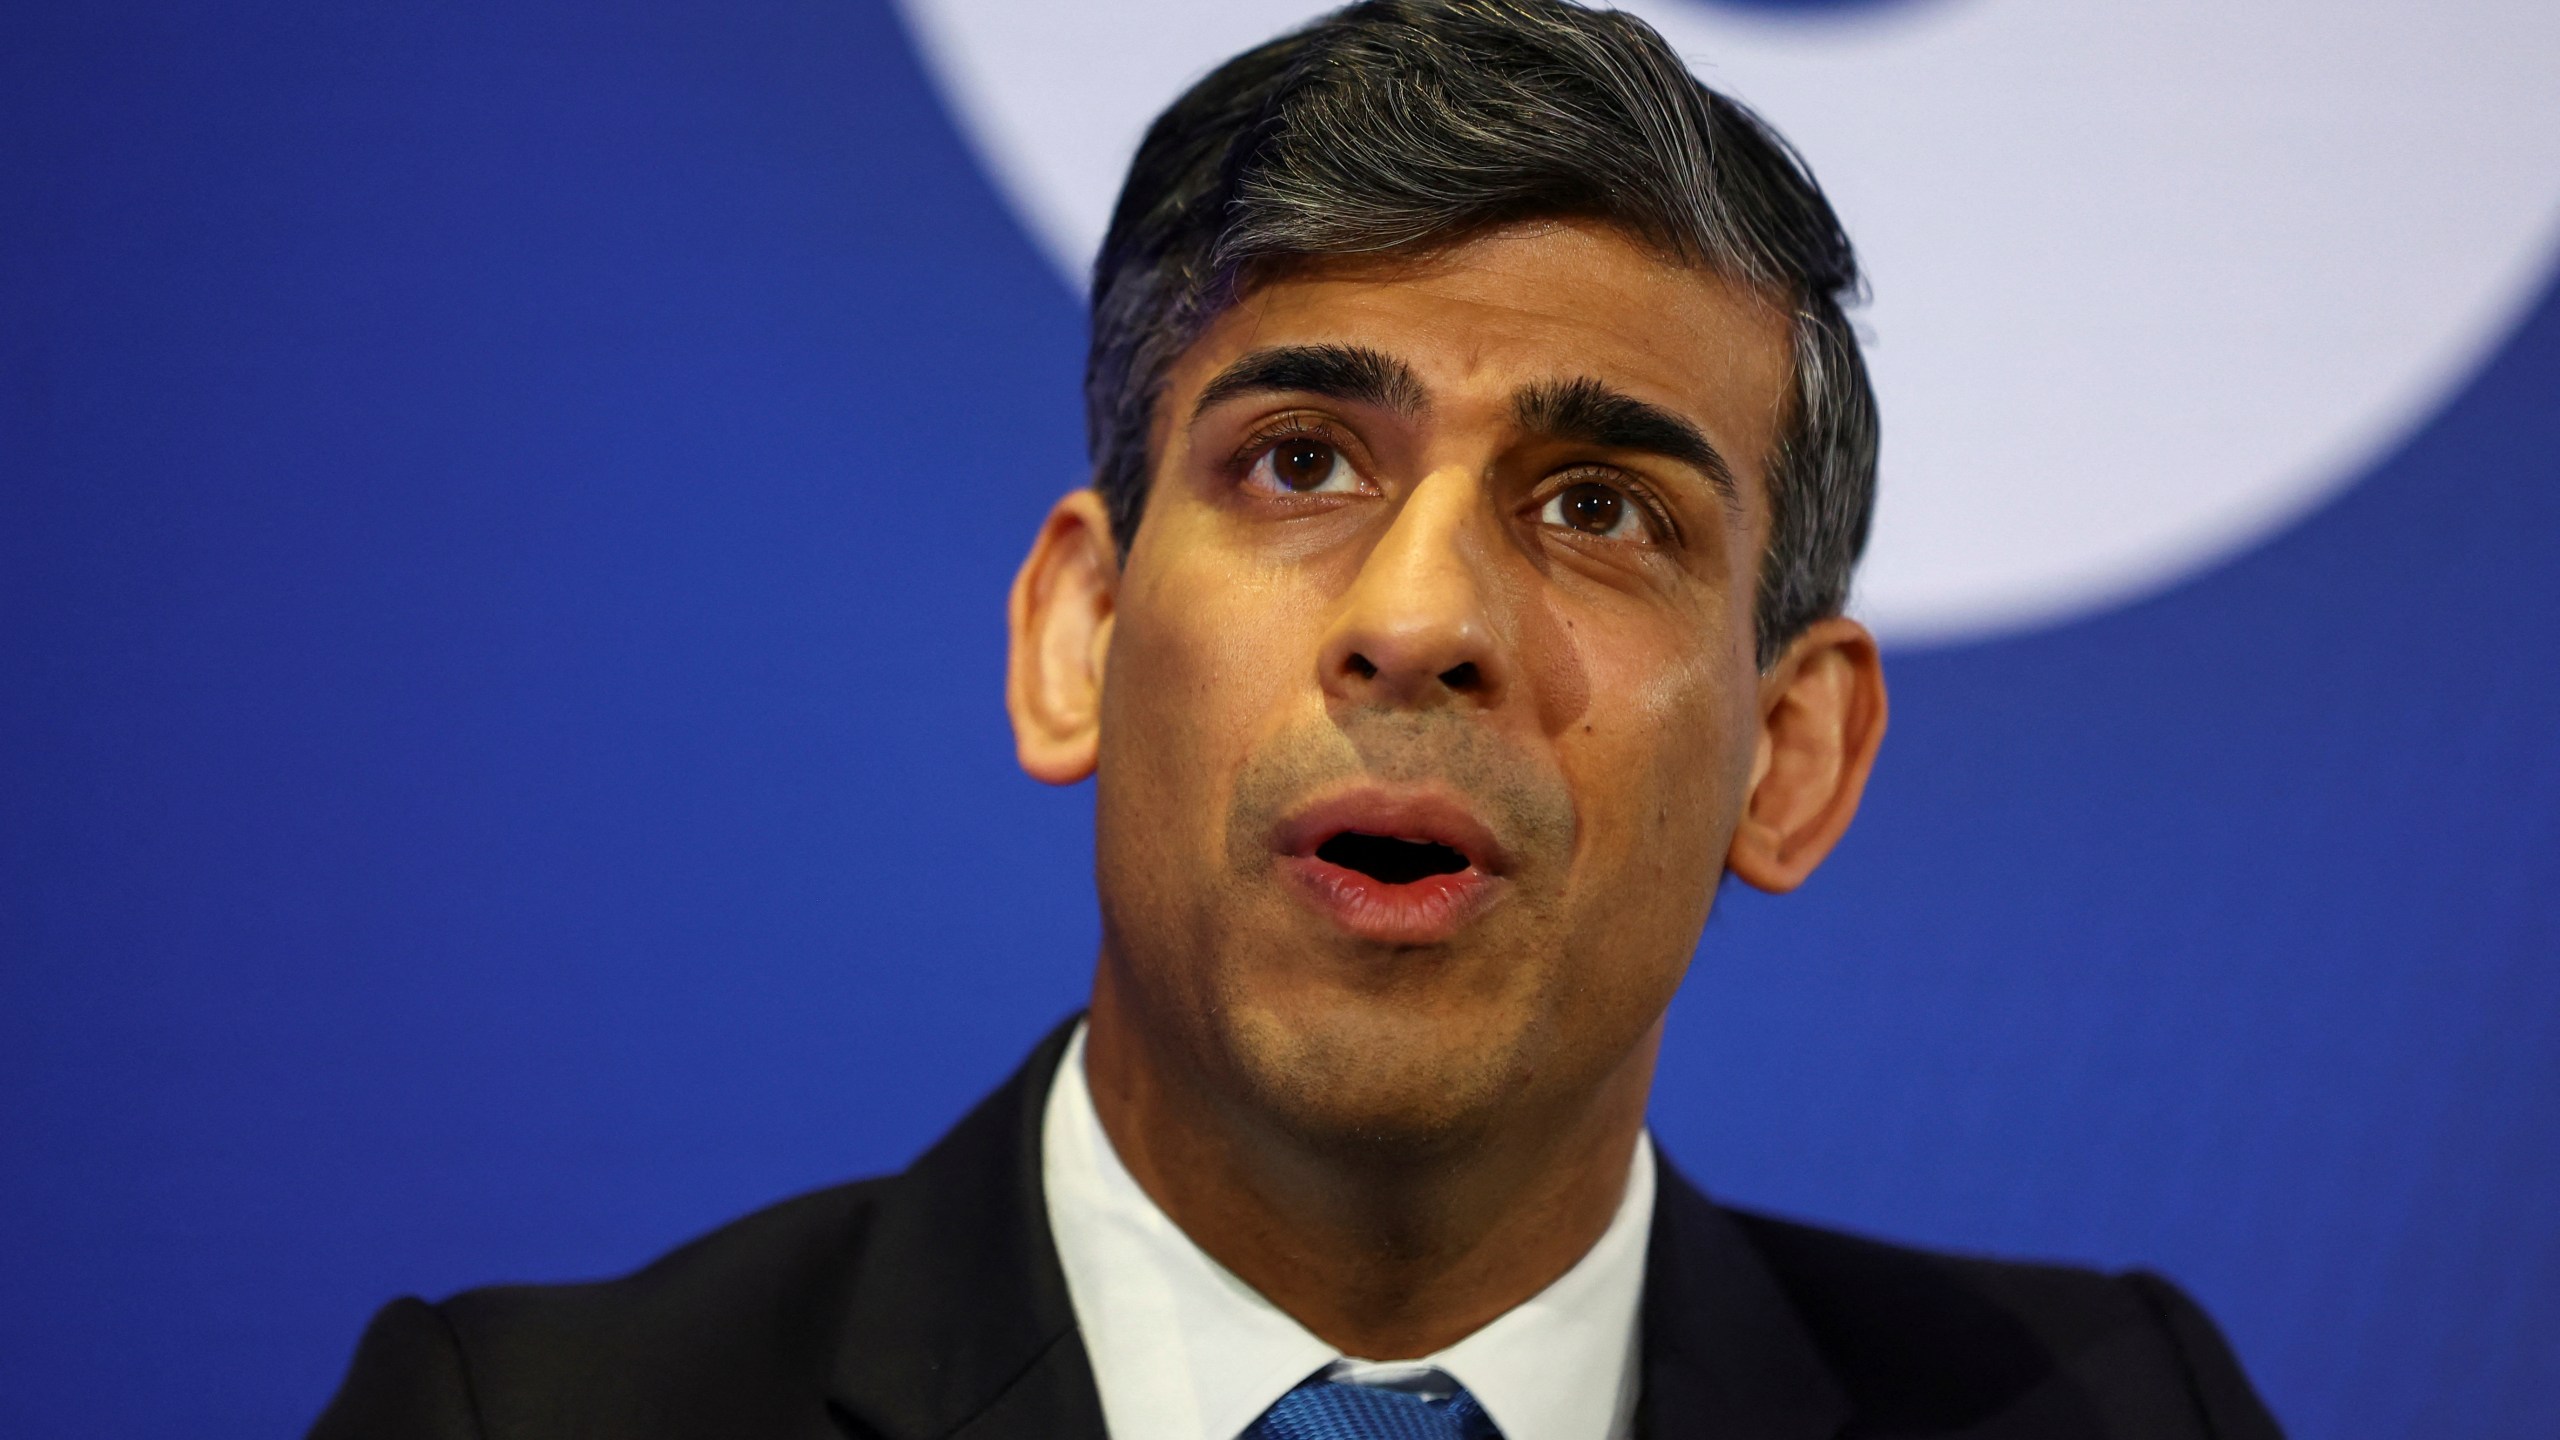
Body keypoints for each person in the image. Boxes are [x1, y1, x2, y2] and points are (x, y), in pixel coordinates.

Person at [310, 2, 2283, 1435]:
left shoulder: (2116, 1413)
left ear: (1790, 756)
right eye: (1297, 465)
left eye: (1595, 509)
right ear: (1076, 634)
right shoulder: (527, 1423)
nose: (1418, 617)